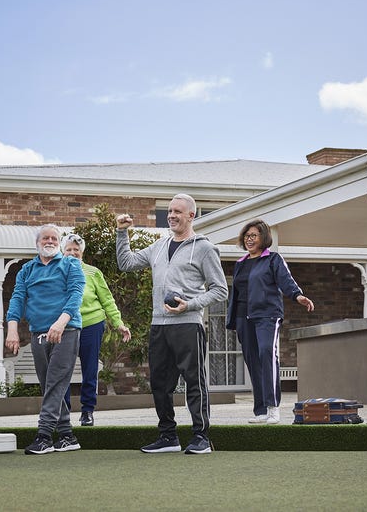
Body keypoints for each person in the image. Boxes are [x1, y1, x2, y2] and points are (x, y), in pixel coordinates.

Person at [116, 194, 228, 455]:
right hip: (159, 325)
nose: (172, 216)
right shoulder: (158, 246)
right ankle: (168, 436)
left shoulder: (204, 248)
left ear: (191, 215)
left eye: (178, 211)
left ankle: (201, 437)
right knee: (159, 384)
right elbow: (126, 263)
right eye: (169, 211)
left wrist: (189, 305)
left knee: (194, 381)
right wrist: (122, 233)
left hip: (188, 325)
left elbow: (220, 290)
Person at [6, 224, 86, 454]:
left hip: (66, 330)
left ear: (59, 243)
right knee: (50, 385)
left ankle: (44, 436)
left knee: (55, 382)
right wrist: (12, 329)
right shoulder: (27, 270)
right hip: (38, 333)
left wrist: (60, 323)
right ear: (37, 243)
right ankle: (67, 435)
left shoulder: (71, 264)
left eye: (54, 238)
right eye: (45, 238)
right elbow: (17, 298)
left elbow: (76, 294)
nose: (49, 241)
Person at [226, 219, 314, 425]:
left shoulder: (273, 259)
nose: (249, 239)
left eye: (253, 236)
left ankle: (273, 407)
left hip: (267, 315)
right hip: (243, 317)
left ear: (263, 237)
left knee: (266, 354)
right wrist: (233, 319)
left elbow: (286, 280)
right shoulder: (240, 263)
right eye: (246, 236)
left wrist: (297, 295)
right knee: (253, 362)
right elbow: (236, 293)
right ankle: (260, 411)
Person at [61, 233, 131, 426]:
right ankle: (62, 412)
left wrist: (118, 323)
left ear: (82, 253)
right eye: (69, 249)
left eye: (76, 250)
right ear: (62, 252)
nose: (72, 253)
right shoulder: (56, 272)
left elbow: (107, 300)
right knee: (62, 370)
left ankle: (87, 411)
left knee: (90, 369)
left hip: (91, 324)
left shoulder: (93, 273)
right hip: (65, 327)